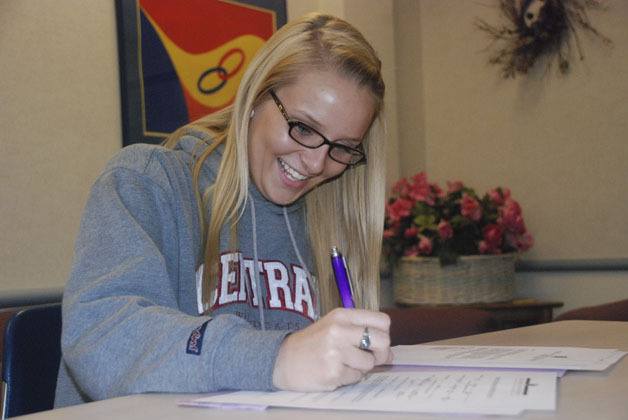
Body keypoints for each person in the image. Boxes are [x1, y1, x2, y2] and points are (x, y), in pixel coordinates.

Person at [55, 12, 391, 407]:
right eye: (302, 127)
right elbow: (101, 337)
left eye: (342, 148)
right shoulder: (146, 182)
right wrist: (276, 358)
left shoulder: (325, 217)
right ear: (254, 98)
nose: (316, 165)